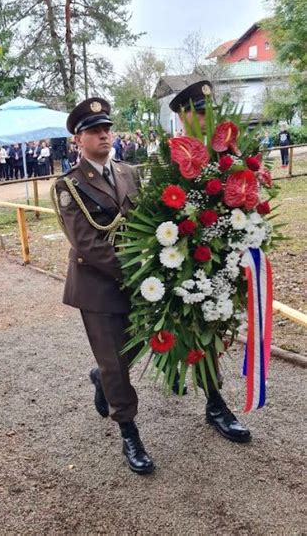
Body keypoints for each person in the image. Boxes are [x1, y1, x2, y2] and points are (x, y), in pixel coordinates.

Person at [51, 97, 154, 475]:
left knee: (139, 344)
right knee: (116, 364)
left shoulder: (130, 173)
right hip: (99, 285)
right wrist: (134, 273)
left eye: (107, 128)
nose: (104, 135)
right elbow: (87, 243)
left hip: (139, 278)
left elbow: (146, 221)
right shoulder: (70, 186)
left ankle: (101, 377)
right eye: (95, 131)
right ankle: (129, 430)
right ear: (78, 140)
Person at [169, 79, 253, 444]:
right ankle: (108, 375)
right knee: (185, 332)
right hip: (185, 261)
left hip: (224, 258)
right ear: (184, 116)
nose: (206, 120)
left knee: (211, 332)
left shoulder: (227, 156)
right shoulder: (168, 159)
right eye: (199, 113)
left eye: (209, 112)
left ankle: (213, 402)